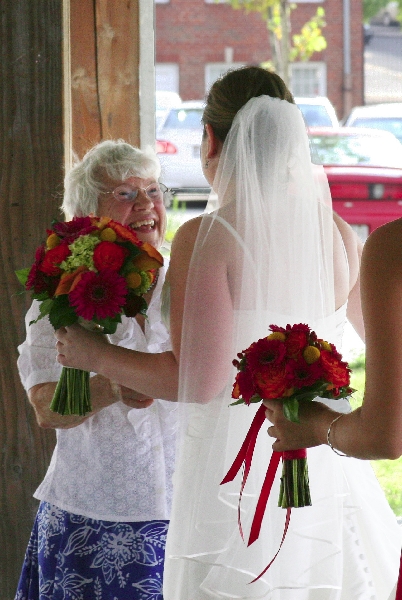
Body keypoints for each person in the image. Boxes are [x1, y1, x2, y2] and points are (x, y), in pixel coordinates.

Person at [54, 66, 401, 599]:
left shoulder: (208, 235)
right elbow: (363, 337)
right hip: (323, 448)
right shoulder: (334, 230)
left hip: (234, 464)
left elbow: (195, 380)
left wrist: (91, 352)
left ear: (211, 140)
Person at [15, 140, 177, 600]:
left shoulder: (184, 282)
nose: (146, 204)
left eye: (153, 190)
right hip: (93, 516)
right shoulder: (57, 297)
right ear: (89, 212)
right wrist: (111, 385)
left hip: (186, 509)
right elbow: (47, 407)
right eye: (126, 193)